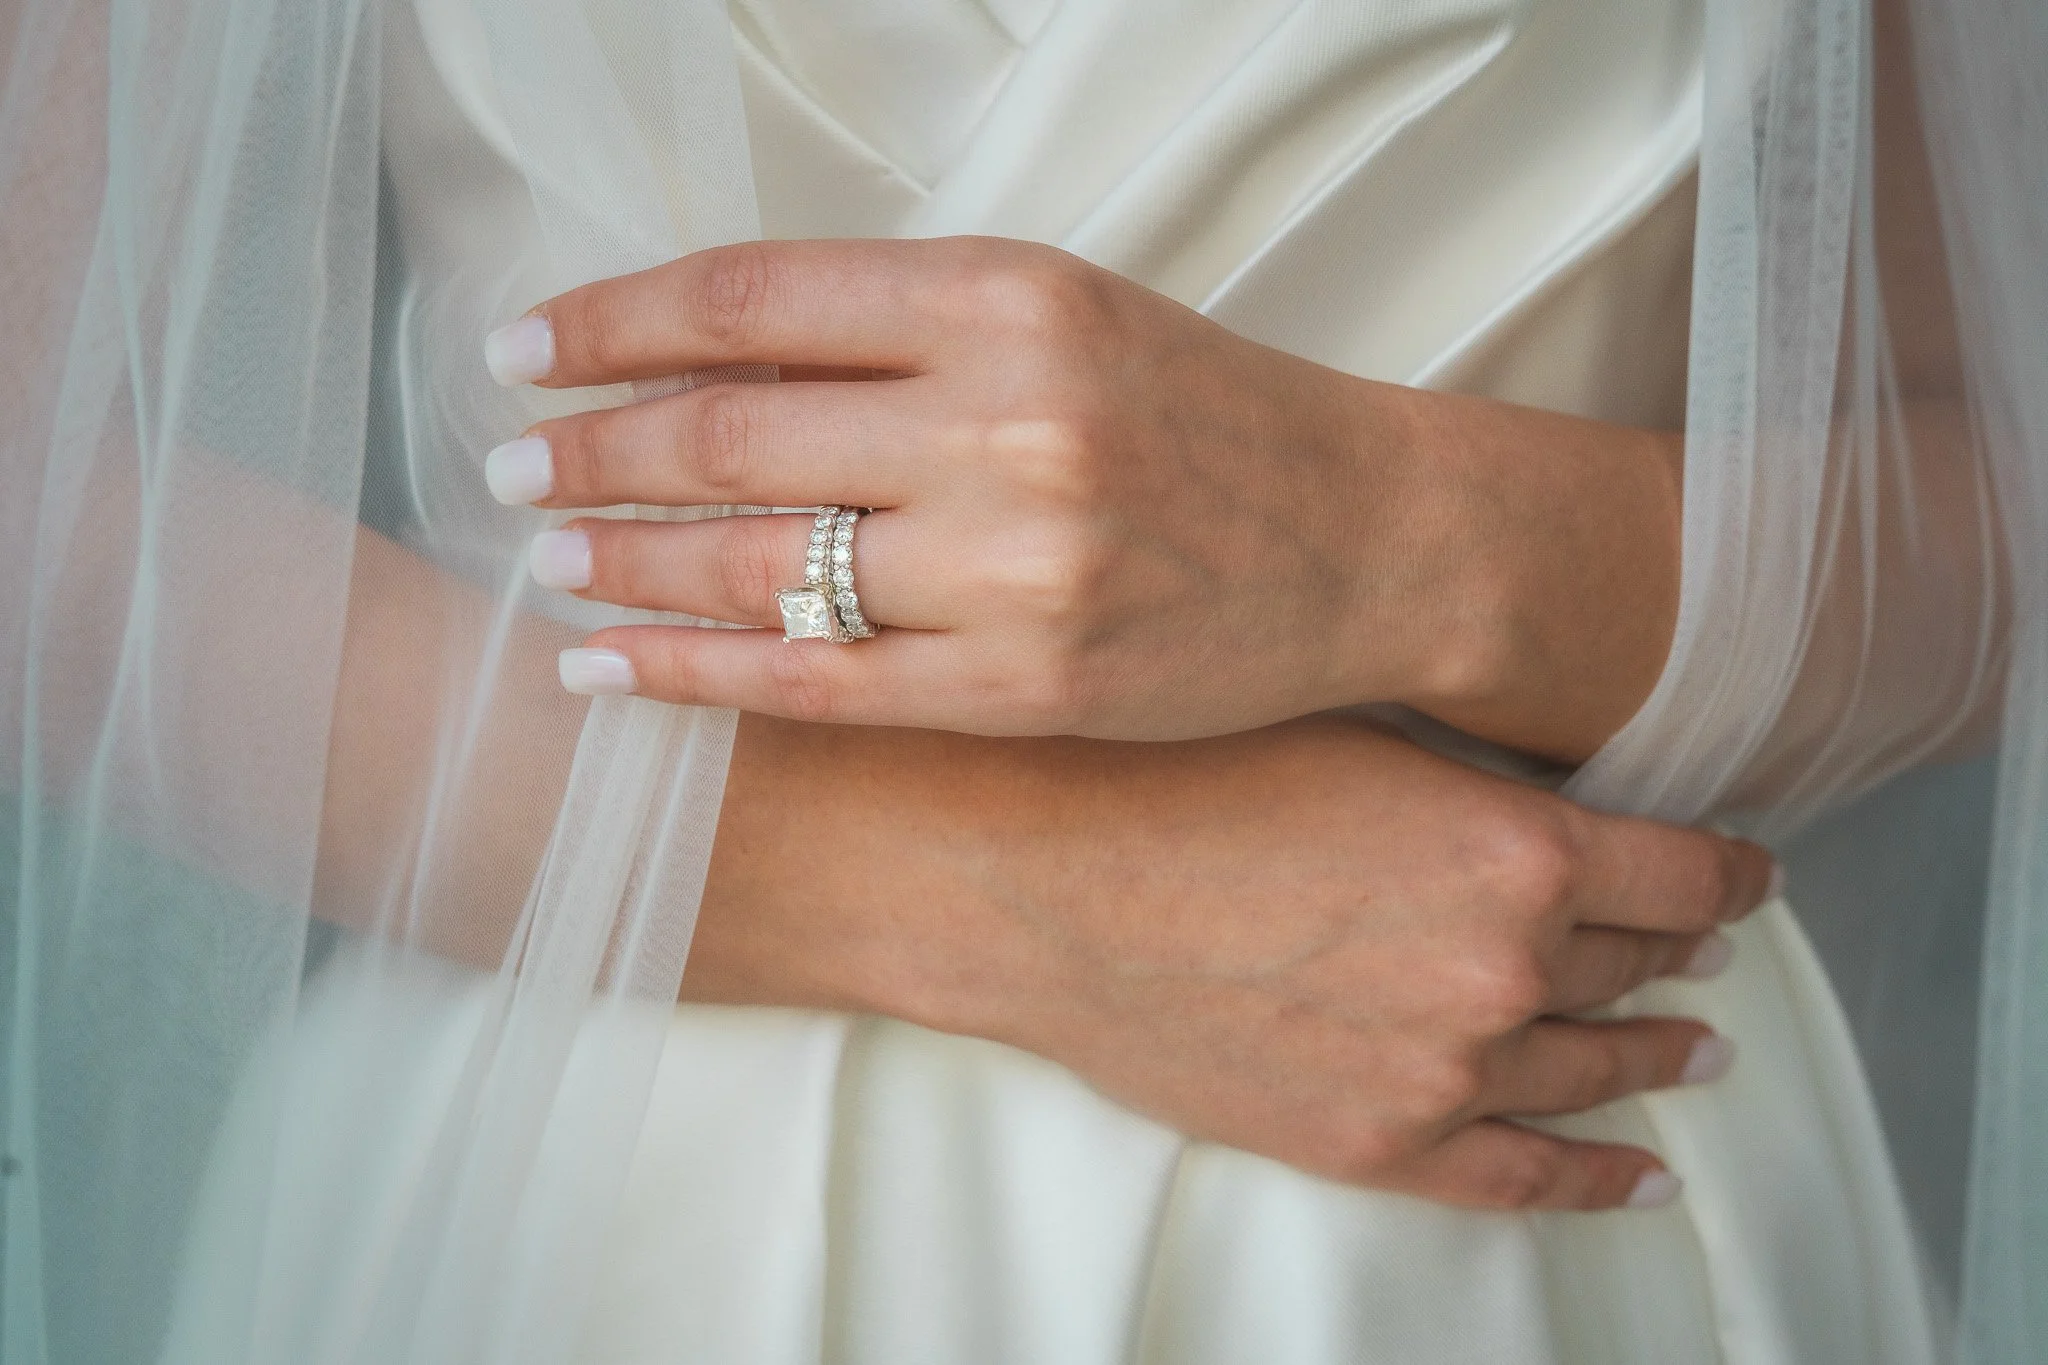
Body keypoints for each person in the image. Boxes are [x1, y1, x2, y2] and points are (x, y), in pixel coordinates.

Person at [4, 0, 2041, 1360]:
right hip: (580, 1184)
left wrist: (1407, 529)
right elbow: (39, 489)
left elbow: (1992, 496)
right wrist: (1017, 895)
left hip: (1493, 1129)